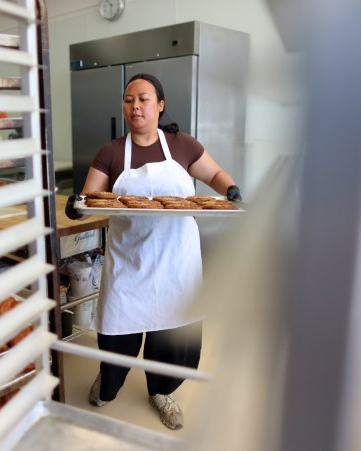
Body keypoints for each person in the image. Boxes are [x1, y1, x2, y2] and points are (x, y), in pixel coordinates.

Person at [65, 73, 242, 430]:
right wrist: (76, 203)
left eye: (144, 99)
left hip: (176, 256)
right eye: (129, 100)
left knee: (174, 329)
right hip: (129, 258)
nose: (135, 107)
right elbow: (91, 195)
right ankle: (110, 382)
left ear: (160, 105)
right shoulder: (112, 151)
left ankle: (163, 391)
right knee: (118, 328)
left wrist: (232, 189)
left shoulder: (182, 144)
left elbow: (215, 174)